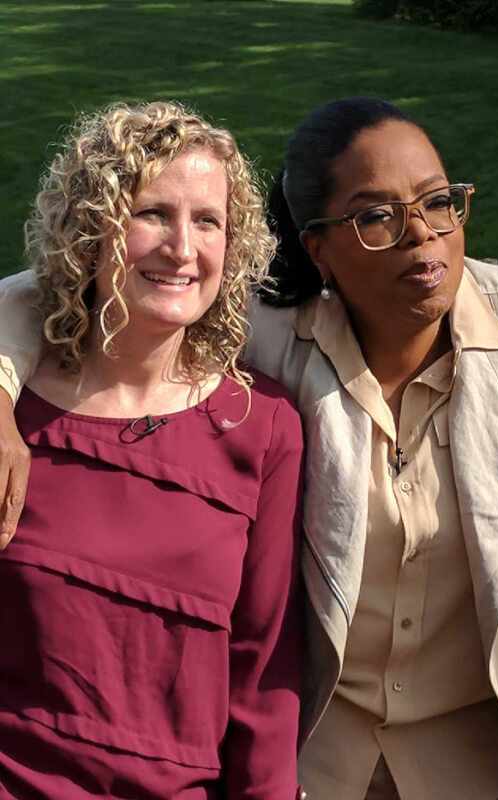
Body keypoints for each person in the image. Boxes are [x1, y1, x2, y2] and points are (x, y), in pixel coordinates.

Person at [0, 97, 498, 800]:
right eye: (376, 216)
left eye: (439, 202)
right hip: (323, 771)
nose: (421, 235)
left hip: (495, 768)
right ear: (317, 246)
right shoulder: (268, 332)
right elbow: (79, 283)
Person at [0, 101, 304, 799]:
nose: (182, 249)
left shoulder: (263, 427)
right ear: (91, 229)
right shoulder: (13, 415)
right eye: (152, 214)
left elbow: (264, 675)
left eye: (208, 222)